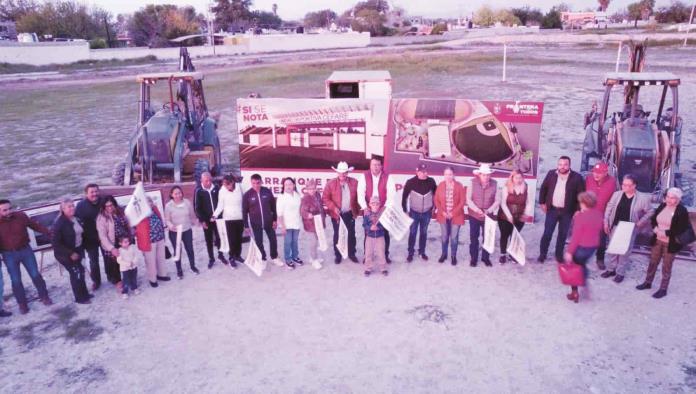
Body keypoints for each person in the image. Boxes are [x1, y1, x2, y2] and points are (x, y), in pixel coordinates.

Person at [0, 199, 53, 314]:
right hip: (8, 254)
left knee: (35, 274)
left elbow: (34, 225)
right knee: (16, 280)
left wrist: (48, 232)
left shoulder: (20, 216)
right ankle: (22, 304)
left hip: (25, 250)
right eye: (4, 210)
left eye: (10, 208)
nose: (8, 212)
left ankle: (44, 296)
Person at [636, 188, 690, 299]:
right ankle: (648, 282)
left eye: (673, 198)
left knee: (666, 266)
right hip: (657, 240)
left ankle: (663, 289)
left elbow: (681, 228)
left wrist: (665, 232)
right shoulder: (662, 205)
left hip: (671, 243)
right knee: (653, 262)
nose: (669, 200)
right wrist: (655, 228)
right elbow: (654, 219)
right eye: (668, 197)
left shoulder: (682, 211)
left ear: (678, 199)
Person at [601, 174, 651, 283]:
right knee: (612, 249)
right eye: (624, 185)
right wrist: (606, 222)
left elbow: (651, 211)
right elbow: (609, 207)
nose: (625, 188)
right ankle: (611, 269)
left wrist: (640, 222)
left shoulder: (642, 198)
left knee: (624, 252)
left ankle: (620, 273)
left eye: (629, 185)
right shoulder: (617, 194)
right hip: (614, 225)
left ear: (634, 185)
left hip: (628, 228)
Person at [538, 156, 585, 263]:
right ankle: (542, 254)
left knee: (562, 235)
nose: (562, 167)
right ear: (557, 165)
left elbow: (581, 195)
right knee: (547, 233)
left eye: (565, 164)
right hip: (552, 210)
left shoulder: (577, 177)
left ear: (569, 165)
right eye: (560, 164)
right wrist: (542, 203)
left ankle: (558, 255)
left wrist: (578, 209)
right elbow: (543, 188)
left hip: (567, 212)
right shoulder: (551, 174)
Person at [563, 192, 604, 303]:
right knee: (582, 265)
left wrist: (569, 252)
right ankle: (584, 282)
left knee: (573, 269)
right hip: (592, 247)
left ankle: (575, 292)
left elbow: (575, 237)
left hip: (581, 247)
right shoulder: (599, 214)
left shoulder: (580, 217)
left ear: (584, 203)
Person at [52, 198, 92, 304]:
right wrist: (70, 253)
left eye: (73, 205)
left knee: (81, 271)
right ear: (63, 209)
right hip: (65, 253)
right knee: (76, 273)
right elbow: (56, 244)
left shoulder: (75, 218)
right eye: (69, 206)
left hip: (78, 248)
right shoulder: (59, 224)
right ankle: (79, 298)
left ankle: (85, 293)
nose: (72, 208)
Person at [322, 162, 361, 264]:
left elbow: (360, 196)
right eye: (340, 172)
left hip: (350, 213)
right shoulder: (330, 184)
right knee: (338, 235)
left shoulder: (355, 182)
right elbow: (325, 198)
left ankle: (352, 253)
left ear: (348, 172)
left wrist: (357, 208)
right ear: (337, 173)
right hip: (337, 214)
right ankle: (338, 255)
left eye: (344, 172)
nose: (342, 175)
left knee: (351, 234)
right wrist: (333, 207)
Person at [357, 156, 394, 263]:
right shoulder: (364, 176)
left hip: (383, 209)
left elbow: (391, 194)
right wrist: (365, 208)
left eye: (378, 165)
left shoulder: (388, 177)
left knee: (384, 233)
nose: (376, 167)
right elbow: (360, 193)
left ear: (381, 166)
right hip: (369, 209)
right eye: (374, 164)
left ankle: (385, 255)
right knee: (368, 233)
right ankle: (367, 256)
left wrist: (385, 208)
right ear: (370, 165)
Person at [242, 174, 283, 266]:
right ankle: (263, 258)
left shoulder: (267, 191)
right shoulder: (247, 195)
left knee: (273, 239)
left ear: (261, 182)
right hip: (256, 223)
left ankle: (274, 257)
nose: (256, 185)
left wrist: (275, 220)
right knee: (259, 241)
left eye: (258, 183)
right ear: (251, 183)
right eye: (254, 183)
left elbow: (273, 207)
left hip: (269, 221)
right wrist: (246, 225)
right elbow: (244, 212)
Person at [584, 162, 617, 269]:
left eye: (599, 173)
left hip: (602, 215)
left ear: (606, 173)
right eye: (594, 172)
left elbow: (613, 200)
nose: (596, 175)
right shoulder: (588, 179)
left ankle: (600, 259)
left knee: (601, 240)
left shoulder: (612, 182)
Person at [402, 163, 437, 262]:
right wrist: (405, 210)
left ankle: (422, 252)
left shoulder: (431, 181)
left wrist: (435, 207)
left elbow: (436, 194)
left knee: (424, 232)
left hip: (426, 212)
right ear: (417, 172)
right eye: (422, 172)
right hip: (414, 213)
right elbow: (404, 197)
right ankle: (410, 253)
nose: (424, 174)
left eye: (426, 171)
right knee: (412, 232)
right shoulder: (410, 182)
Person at [466, 164, 500, 267]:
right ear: (479, 174)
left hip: (488, 215)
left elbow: (497, 200)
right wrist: (477, 210)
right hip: (474, 215)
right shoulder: (472, 183)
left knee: (487, 237)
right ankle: (473, 258)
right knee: (474, 237)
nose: (486, 177)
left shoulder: (495, 184)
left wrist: (488, 210)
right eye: (484, 175)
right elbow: (468, 199)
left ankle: (486, 258)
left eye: (488, 175)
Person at [75, 183, 108, 290]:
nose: (94, 194)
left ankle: (112, 277)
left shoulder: (103, 201)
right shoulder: (80, 206)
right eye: (91, 192)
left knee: (108, 258)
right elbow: (76, 222)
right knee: (94, 261)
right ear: (86, 193)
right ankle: (96, 281)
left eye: (96, 191)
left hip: (104, 236)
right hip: (89, 239)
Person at [165, 185, 202, 279]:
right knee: (177, 251)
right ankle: (179, 271)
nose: (178, 195)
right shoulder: (168, 206)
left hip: (187, 230)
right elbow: (167, 220)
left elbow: (192, 216)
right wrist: (170, 225)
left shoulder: (187, 202)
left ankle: (193, 267)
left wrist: (198, 223)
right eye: (175, 193)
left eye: (179, 193)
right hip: (174, 232)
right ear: (171, 195)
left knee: (190, 249)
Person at [498, 170, 534, 264]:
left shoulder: (526, 187)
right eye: (516, 178)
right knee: (504, 235)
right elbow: (503, 203)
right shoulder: (506, 187)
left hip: (519, 216)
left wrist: (525, 214)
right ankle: (502, 254)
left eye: (520, 178)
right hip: (505, 216)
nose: (518, 180)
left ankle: (512, 254)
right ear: (512, 178)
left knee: (515, 235)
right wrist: (509, 216)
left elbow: (529, 202)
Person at [194, 172, 228, 269]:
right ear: (201, 181)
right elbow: (197, 208)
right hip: (207, 220)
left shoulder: (216, 188)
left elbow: (221, 202)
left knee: (220, 237)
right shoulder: (199, 191)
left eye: (210, 180)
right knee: (209, 240)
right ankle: (211, 258)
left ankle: (220, 255)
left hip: (218, 218)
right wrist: (202, 220)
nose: (208, 183)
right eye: (206, 181)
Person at [433, 167, 466, 266]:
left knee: (454, 237)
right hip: (443, 215)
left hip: (456, 216)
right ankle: (444, 254)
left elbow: (462, 201)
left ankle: (453, 256)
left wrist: (453, 213)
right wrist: (442, 211)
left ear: (454, 174)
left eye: (450, 174)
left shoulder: (459, 186)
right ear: (444, 175)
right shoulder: (441, 185)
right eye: (446, 174)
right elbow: (436, 200)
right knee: (444, 236)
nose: (448, 176)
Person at [135, 197, 171, 287]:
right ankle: (152, 279)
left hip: (159, 238)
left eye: (150, 202)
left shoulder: (155, 210)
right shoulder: (140, 214)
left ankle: (162, 274)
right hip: (149, 241)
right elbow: (138, 229)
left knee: (161, 258)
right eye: (146, 203)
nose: (149, 204)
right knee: (150, 261)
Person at [96, 195, 128, 290]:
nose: (110, 207)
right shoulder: (101, 218)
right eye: (107, 206)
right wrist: (112, 248)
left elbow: (127, 224)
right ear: (103, 207)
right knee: (114, 265)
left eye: (111, 205)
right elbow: (102, 236)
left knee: (125, 261)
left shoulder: (119, 212)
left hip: (122, 242)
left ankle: (128, 278)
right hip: (111, 244)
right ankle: (118, 282)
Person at [213, 175, 244, 265]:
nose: (226, 187)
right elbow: (220, 205)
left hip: (240, 217)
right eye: (224, 185)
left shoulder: (240, 187)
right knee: (231, 239)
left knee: (239, 238)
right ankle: (231, 257)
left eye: (227, 184)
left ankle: (238, 255)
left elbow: (245, 202)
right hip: (228, 218)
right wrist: (214, 215)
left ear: (233, 182)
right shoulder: (222, 191)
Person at [276, 177, 303, 270]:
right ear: (283, 186)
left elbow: (300, 210)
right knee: (288, 242)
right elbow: (279, 214)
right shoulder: (281, 197)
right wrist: (282, 226)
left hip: (296, 223)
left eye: (290, 184)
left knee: (295, 242)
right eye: (286, 184)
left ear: (294, 185)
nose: (288, 186)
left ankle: (295, 257)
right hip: (286, 225)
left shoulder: (297, 195)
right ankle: (288, 260)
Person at [300, 179, 326, 270]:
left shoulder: (318, 195)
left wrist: (323, 217)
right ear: (306, 189)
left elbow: (321, 207)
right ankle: (314, 260)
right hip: (310, 225)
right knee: (313, 242)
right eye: (310, 188)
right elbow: (302, 212)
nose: (312, 190)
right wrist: (308, 215)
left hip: (318, 223)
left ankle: (313, 257)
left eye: (313, 188)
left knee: (318, 240)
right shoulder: (305, 199)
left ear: (316, 188)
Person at [363, 195, 388, 277]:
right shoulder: (367, 214)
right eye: (373, 204)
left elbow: (385, 225)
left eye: (377, 204)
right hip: (369, 237)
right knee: (368, 253)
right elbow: (364, 224)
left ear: (379, 204)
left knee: (381, 252)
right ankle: (368, 268)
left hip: (380, 236)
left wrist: (379, 227)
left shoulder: (382, 214)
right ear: (370, 204)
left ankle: (383, 267)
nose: (375, 206)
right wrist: (370, 227)